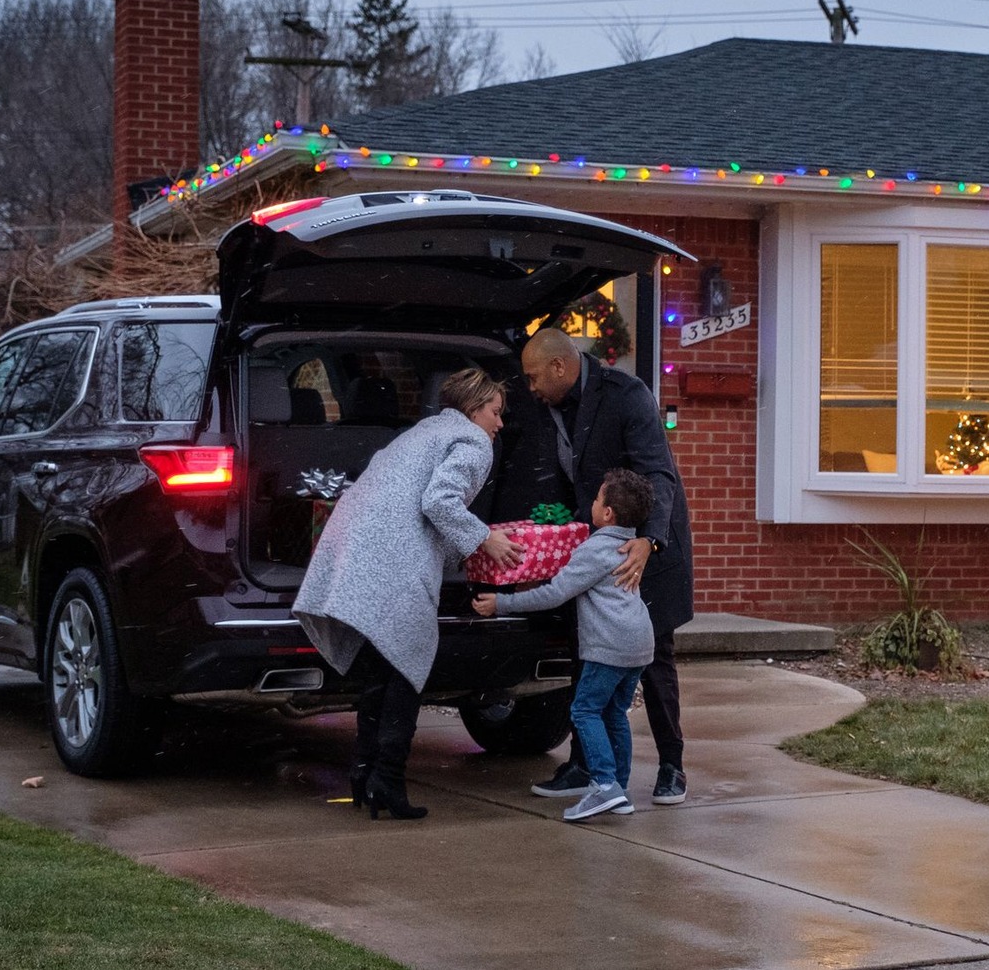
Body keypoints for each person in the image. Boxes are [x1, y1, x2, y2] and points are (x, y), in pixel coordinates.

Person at [293, 367, 525, 820]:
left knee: (381, 668)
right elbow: (439, 501)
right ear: (475, 408)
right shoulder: (473, 442)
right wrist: (485, 539)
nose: (500, 424)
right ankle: (388, 783)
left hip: (355, 550)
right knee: (407, 667)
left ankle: (364, 775)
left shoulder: (423, 431)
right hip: (397, 559)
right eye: (496, 412)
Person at [518, 327, 694, 805]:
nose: (530, 387)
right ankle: (584, 767)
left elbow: (658, 472)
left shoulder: (626, 395)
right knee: (588, 652)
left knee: (655, 658)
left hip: (648, 551)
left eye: (534, 377)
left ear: (559, 366)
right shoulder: (550, 407)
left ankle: (672, 767)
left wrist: (649, 541)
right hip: (599, 548)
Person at [473, 469, 656, 820]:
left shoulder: (596, 548)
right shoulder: (628, 546)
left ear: (607, 514)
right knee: (614, 713)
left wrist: (502, 603)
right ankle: (619, 787)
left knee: (585, 710)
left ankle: (604, 787)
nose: (592, 501)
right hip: (638, 641)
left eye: (598, 498)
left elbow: (557, 593)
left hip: (610, 645)